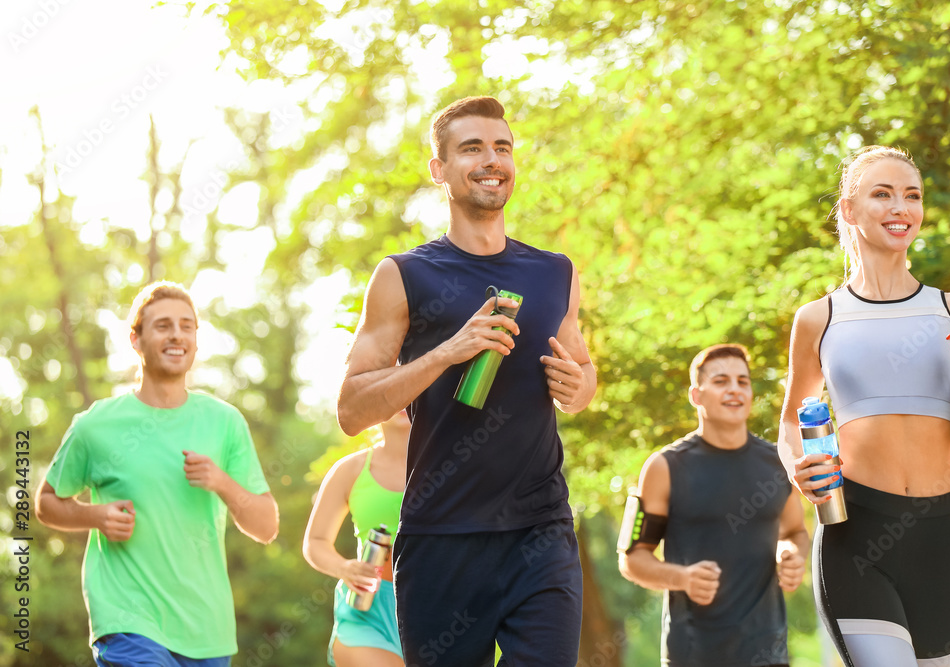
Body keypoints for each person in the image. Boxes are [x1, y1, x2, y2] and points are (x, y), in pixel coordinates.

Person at [336, 96, 597, 667]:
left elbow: (582, 365)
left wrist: (579, 386)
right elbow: (352, 409)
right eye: (471, 148)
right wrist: (445, 354)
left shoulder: (555, 272)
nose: (491, 160)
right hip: (442, 538)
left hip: (541, 530)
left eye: (501, 147)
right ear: (439, 169)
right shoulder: (404, 275)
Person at [777, 146, 950, 666]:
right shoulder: (819, 318)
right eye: (883, 194)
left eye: (912, 196)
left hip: (943, 535)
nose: (902, 207)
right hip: (856, 530)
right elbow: (791, 418)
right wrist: (797, 468)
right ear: (849, 210)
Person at [36, 281, 279, 667]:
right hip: (127, 619)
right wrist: (95, 516)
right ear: (136, 339)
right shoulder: (96, 425)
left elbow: (266, 526)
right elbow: (47, 502)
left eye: (187, 326)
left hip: (206, 629)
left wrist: (222, 483)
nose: (177, 334)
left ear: (196, 341)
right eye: (163, 325)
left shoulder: (224, 422)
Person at [619, 344, 809, 667]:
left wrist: (792, 555)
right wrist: (683, 578)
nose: (734, 389)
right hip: (691, 655)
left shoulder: (779, 463)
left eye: (742, 381)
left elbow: (795, 532)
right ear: (696, 395)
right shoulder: (664, 467)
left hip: (768, 653)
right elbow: (631, 559)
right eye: (721, 381)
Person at [303, 410, 408, 667]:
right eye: (393, 384)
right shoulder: (350, 470)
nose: (405, 399)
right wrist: (344, 567)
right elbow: (315, 541)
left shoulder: (452, 466)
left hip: (435, 609)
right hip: (367, 612)